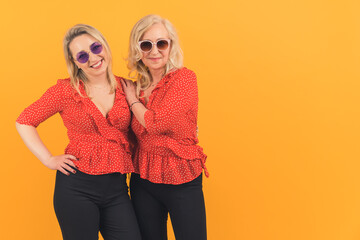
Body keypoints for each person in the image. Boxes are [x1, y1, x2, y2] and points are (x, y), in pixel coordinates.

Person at [16, 24, 141, 240]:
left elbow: (148, 124)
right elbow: (24, 121)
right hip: (76, 189)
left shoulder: (128, 87)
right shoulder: (65, 91)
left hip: (117, 190)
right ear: (75, 63)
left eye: (95, 47)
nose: (93, 58)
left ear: (105, 46)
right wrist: (48, 159)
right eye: (82, 56)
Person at [121, 14, 209, 240]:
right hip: (143, 179)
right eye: (146, 44)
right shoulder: (137, 85)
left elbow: (156, 123)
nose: (154, 51)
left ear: (171, 46)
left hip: (181, 178)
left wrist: (132, 102)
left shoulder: (184, 79)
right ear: (137, 48)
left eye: (161, 43)